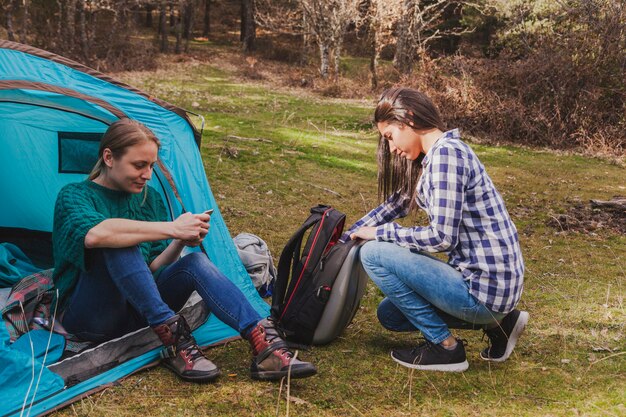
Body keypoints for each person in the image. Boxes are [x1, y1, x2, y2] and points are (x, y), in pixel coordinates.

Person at [52, 118, 316, 382]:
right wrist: (172, 228)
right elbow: (95, 235)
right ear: (109, 157)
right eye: (139, 165)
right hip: (91, 316)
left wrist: (181, 241)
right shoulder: (74, 196)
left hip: (139, 311)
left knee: (196, 262)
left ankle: (264, 342)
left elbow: (152, 267)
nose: (147, 175)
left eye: (152, 166)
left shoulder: (148, 199)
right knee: (117, 239)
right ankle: (176, 343)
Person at [344, 88, 528, 372]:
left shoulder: (446, 157)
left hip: (483, 291)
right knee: (390, 315)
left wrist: (379, 234)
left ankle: (446, 349)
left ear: (408, 119)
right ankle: (502, 324)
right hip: (492, 290)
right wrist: (348, 236)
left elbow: (441, 237)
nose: (392, 149)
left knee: (373, 254)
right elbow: (399, 203)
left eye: (390, 137)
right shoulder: (436, 156)